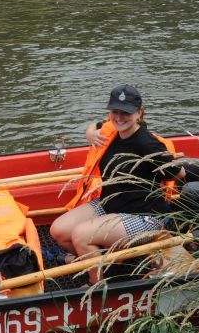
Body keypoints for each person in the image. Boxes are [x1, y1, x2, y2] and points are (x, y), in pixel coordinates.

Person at [50, 85, 183, 281]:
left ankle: (96, 285)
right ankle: (103, 262)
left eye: (125, 113)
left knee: (81, 235)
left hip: (142, 217)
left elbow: (179, 173)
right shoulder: (111, 131)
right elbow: (95, 125)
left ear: (139, 113)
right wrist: (90, 133)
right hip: (110, 204)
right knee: (58, 230)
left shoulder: (148, 144)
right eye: (115, 112)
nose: (119, 118)